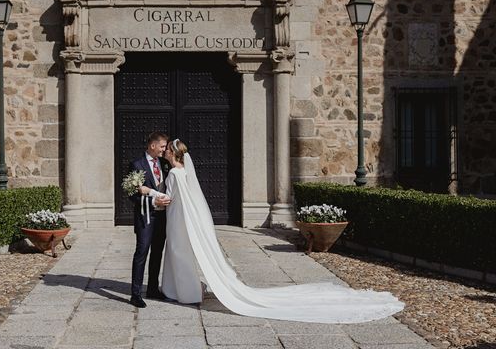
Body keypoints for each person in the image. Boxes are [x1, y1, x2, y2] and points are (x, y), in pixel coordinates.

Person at [143, 138, 405, 323]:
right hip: (180, 218)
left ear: (174, 154)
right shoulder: (182, 172)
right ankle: (183, 289)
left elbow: (173, 199)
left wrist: (149, 192)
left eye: (168, 150)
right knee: (182, 254)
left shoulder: (175, 174)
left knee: (178, 253)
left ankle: (183, 292)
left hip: (177, 219)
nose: (164, 152)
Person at [128, 132, 171, 308]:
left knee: (157, 253)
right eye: (162, 146)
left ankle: (153, 288)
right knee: (142, 253)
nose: (164, 149)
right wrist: (153, 200)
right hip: (145, 217)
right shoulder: (136, 164)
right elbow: (131, 195)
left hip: (162, 217)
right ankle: (135, 294)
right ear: (152, 146)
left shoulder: (164, 163)